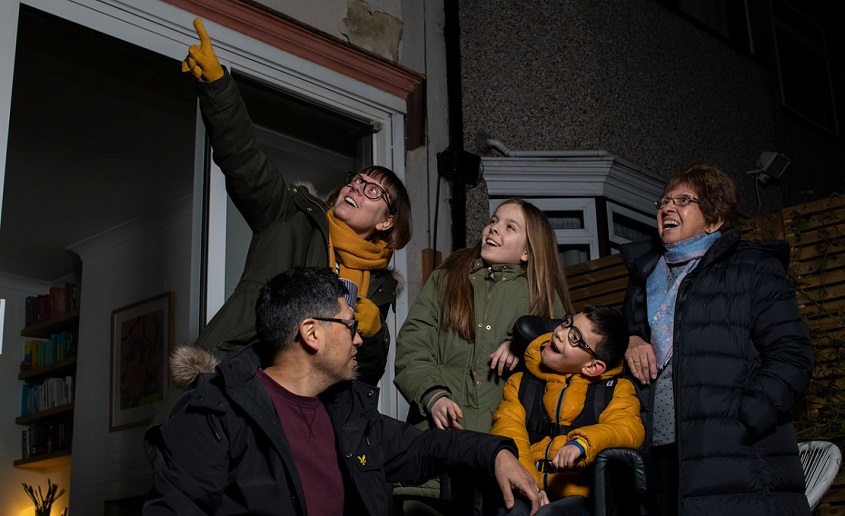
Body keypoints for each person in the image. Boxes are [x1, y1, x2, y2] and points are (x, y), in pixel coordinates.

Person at [143, 266, 543, 516]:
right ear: (312, 333)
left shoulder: (346, 411)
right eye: (350, 327)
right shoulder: (213, 413)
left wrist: (496, 453)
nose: (359, 341)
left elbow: (424, 448)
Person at [181, 18, 412, 385]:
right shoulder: (292, 218)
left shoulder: (377, 285)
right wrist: (217, 86)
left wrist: (373, 332)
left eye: (373, 190)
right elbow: (246, 163)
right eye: (356, 180)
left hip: (314, 414)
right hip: (239, 387)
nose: (356, 188)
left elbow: (366, 376)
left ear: (387, 222)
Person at [621, 163, 814, 515]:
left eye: (683, 200)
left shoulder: (752, 267)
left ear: (714, 219)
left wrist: (743, 418)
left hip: (734, 452)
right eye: (664, 201)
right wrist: (632, 339)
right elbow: (632, 332)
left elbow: (793, 355)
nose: (667, 207)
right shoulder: (644, 278)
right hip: (660, 454)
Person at [393, 198, 573, 513]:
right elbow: (413, 343)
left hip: (503, 459)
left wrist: (524, 342)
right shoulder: (446, 279)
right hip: (434, 454)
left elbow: (568, 359)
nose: (493, 229)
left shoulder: (542, 299)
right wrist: (432, 395)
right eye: (493, 220)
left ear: (527, 252)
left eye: (510, 227)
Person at [490, 306, 645, 515]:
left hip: (579, 497)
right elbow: (508, 431)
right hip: (526, 483)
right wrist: (530, 486)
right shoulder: (520, 383)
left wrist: (583, 443)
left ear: (592, 367)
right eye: (566, 323)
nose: (560, 333)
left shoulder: (617, 390)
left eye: (574, 338)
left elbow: (627, 429)